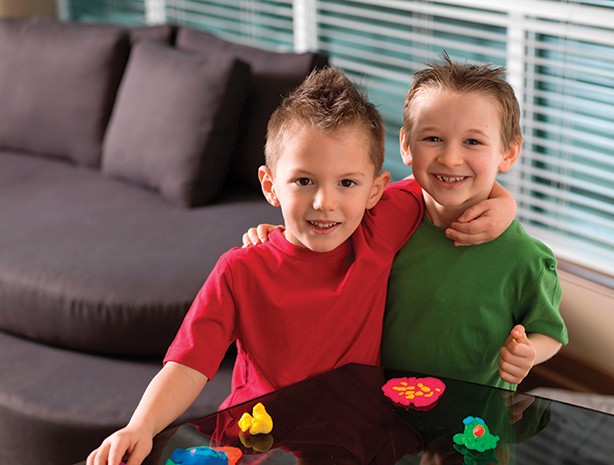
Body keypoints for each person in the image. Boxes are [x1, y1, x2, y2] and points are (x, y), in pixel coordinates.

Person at [87, 67, 430, 465]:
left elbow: (448, 180)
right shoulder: (240, 270)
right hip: (256, 444)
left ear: (376, 189)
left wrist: (501, 203)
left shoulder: (380, 225)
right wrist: (141, 426)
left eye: (347, 183)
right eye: (304, 181)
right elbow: (188, 364)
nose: (325, 202)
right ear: (270, 185)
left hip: (353, 442)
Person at [381, 53, 568, 390]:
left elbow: (549, 332)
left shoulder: (525, 258)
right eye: (433, 138)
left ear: (508, 153)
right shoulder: (382, 224)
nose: (451, 158)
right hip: (387, 411)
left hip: (477, 426)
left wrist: (529, 352)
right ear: (407, 145)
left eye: (473, 142)